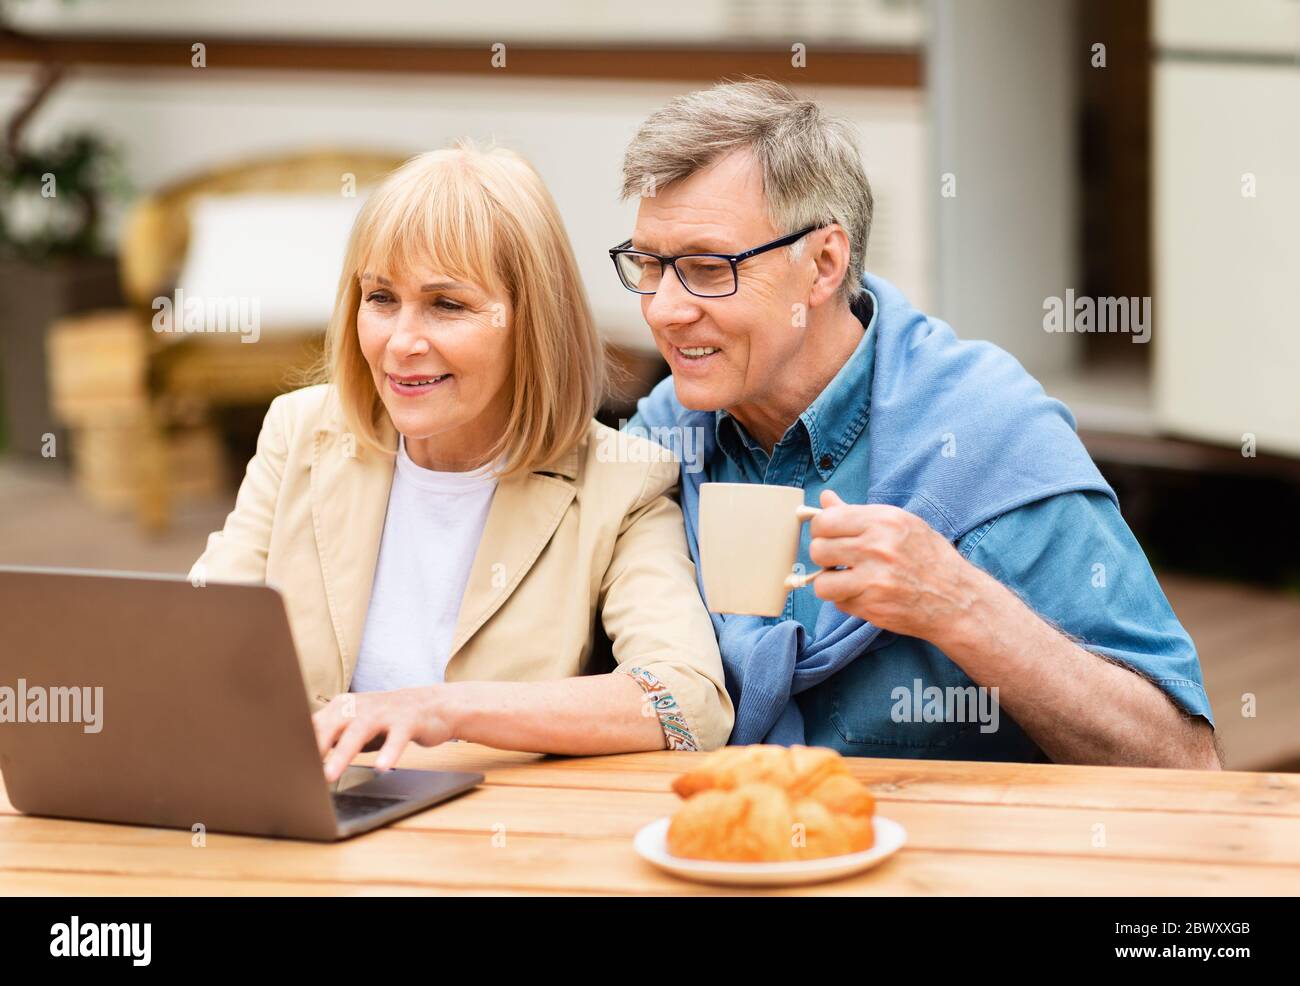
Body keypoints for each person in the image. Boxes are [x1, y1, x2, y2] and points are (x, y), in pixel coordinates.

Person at [618, 81, 1217, 767]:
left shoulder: (989, 435)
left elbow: (1184, 763)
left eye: (705, 268)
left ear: (822, 264)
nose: (663, 310)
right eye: (647, 265)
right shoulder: (662, 442)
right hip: (724, 855)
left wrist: (957, 603)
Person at [192, 143, 733, 781]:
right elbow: (200, 638)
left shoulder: (622, 480)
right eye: (381, 298)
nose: (401, 343)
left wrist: (445, 709)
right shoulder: (300, 431)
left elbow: (687, 704)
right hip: (302, 825)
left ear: (531, 323)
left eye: (447, 305)